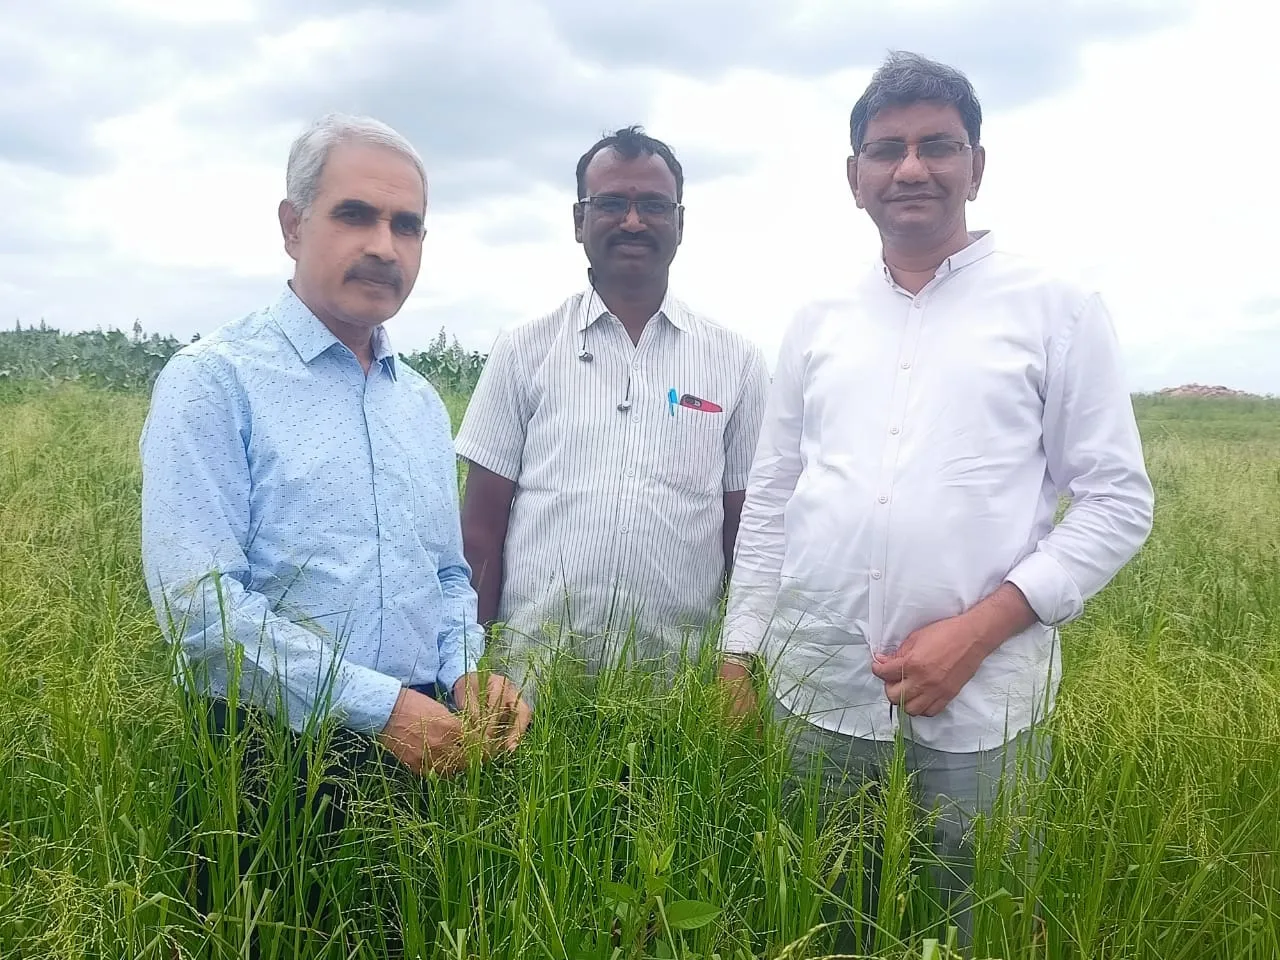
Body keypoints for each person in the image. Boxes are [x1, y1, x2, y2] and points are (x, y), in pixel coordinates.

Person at [717, 52, 1155, 950]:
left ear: (976, 167)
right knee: (823, 918)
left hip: (983, 703)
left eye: (936, 146)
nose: (910, 167)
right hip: (819, 694)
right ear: (854, 179)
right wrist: (737, 655)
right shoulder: (817, 319)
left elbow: (1116, 500)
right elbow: (773, 497)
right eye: (885, 149)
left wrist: (982, 627)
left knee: (970, 924)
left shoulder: (1056, 309)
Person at [139, 113, 530, 939]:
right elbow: (199, 610)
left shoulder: (417, 402)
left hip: (427, 745)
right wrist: (378, 707)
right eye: (355, 215)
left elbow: (448, 576)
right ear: (292, 226)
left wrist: (464, 674)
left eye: (407, 225)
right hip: (267, 756)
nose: (385, 245)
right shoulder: (215, 382)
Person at [455, 125, 769, 704]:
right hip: (529, 692)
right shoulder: (523, 350)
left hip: (680, 697)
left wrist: (739, 661)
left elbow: (747, 535)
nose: (632, 221)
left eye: (652, 205)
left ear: (680, 222)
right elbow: (480, 531)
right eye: (611, 204)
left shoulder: (737, 363)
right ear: (579, 220)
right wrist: (473, 665)